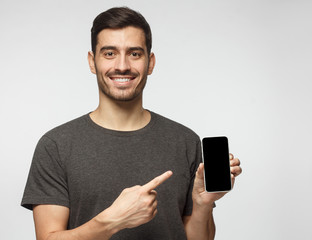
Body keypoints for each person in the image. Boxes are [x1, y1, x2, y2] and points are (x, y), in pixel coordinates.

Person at [21, 7, 242, 240]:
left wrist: (202, 204)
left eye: (135, 53)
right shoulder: (56, 145)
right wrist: (112, 221)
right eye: (109, 53)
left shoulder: (185, 141)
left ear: (150, 62)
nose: (123, 65)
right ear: (92, 62)